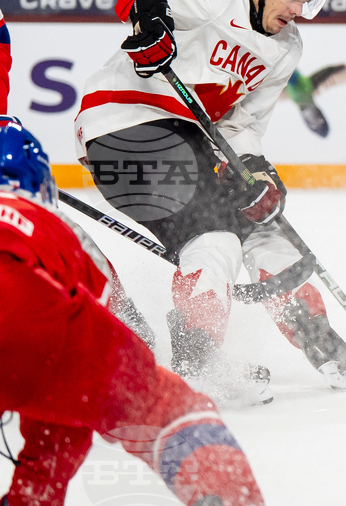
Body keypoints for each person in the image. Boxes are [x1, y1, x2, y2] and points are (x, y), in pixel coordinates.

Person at [72, 0, 346, 405]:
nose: (299, 12)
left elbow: (239, 125)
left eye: (310, 1)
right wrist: (146, 6)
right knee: (211, 238)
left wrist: (254, 171)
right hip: (122, 124)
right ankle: (196, 365)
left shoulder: (287, 47)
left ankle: (316, 337)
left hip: (190, 139)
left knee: (264, 227)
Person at [0, 116, 266, 505]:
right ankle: (226, 495)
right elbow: (74, 375)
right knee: (167, 407)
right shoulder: (55, 226)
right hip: (29, 314)